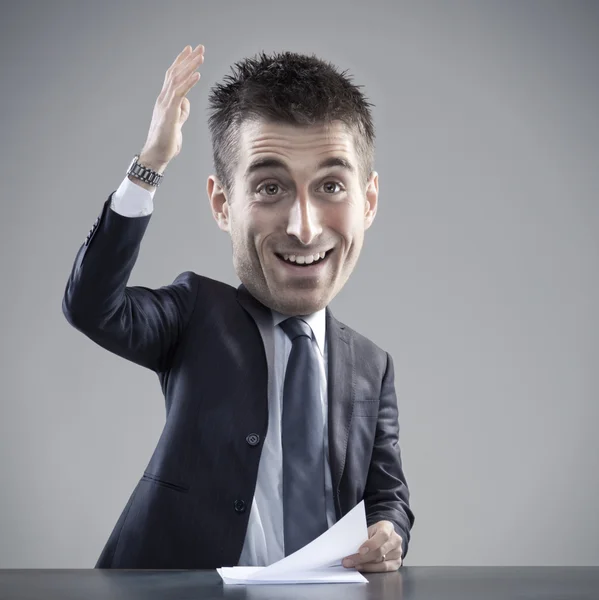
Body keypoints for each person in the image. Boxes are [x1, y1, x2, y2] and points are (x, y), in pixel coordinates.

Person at [62, 43, 415, 572]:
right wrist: (149, 165)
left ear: (368, 202)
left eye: (332, 186)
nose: (303, 228)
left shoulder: (372, 365)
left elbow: (385, 491)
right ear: (223, 204)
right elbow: (93, 306)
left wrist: (390, 531)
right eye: (270, 187)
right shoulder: (193, 313)